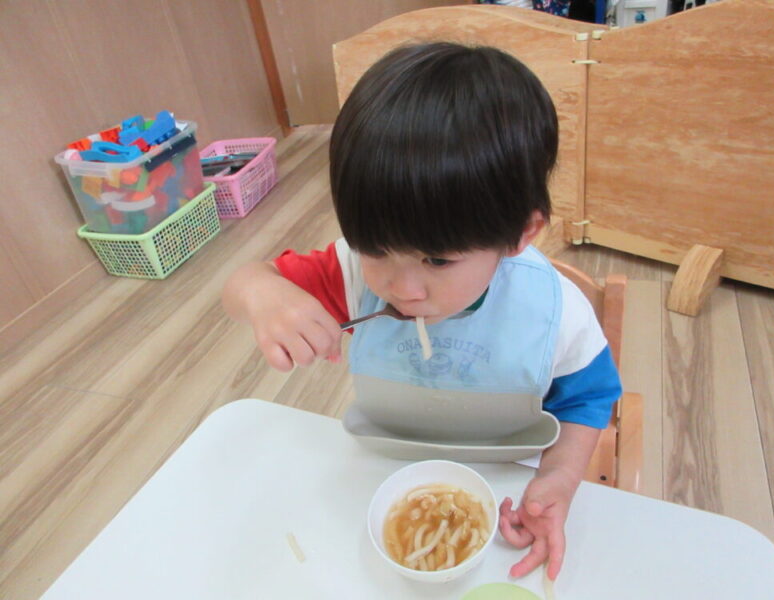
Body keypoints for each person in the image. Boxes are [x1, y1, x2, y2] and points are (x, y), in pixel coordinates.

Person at [223, 42, 621, 581]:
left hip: (507, 489)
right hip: (385, 469)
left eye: (437, 260)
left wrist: (560, 479)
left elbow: (589, 400)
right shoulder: (351, 274)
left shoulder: (555, 314)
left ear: (520, 234)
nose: (403, 288)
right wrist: (260, 293)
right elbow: (243, 283)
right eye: (376, 249)